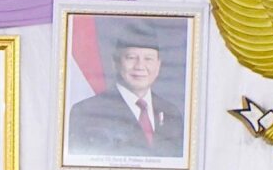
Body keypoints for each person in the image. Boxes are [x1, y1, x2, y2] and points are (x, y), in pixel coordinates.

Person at [66, 24, 184, 159]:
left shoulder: (171, 113)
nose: (140, 66)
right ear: (115, 62)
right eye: (131, 57)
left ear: (158, 65)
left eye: (148, 59)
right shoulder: (87, 112)